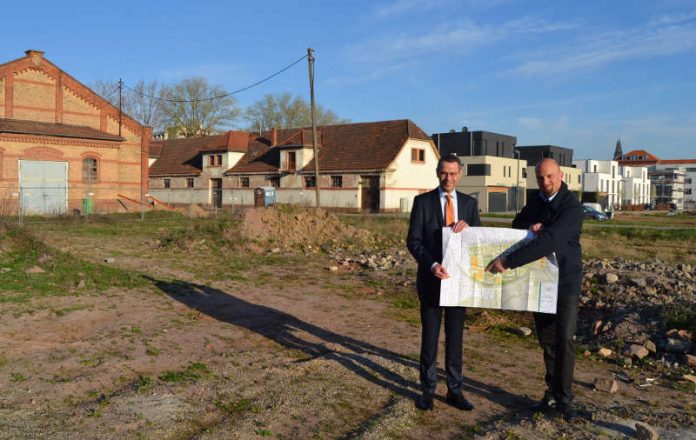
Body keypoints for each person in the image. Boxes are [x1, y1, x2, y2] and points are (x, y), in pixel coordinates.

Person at [485, 158, 583, 421]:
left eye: (550, 177)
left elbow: (551, 241)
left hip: (565, 282)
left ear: (561, 176)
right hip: (540, 281)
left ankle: (565, 399)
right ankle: (550, 395)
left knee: (565, 340)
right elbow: (515, 226)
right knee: (548, 341)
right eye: (540, 178)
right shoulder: (536, 202)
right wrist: (529, 227)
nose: (545, 182)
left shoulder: (572, 207)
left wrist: (508, 261)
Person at [407, 155, 481, 411]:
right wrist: (431, 265)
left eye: (452, 173)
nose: (447, 178)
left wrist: (470, 229)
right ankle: (427, 390)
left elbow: (477, 243)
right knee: (430, 338)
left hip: (458, 284)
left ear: (460, 174)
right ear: (437, 173)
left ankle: (455, 391)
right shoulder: (422, 202)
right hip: (430, 280)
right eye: (443, 173)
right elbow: (413, 241)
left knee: (455, 339)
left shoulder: (470, 205)